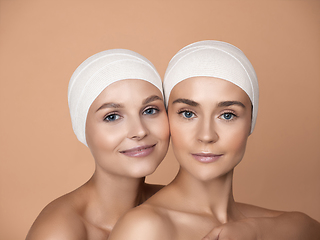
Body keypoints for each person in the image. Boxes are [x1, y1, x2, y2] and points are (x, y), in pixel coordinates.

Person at [108, 41, 320, 240]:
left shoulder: (260, 224)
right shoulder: (144, 228)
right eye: (188, 114)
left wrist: (256, 231)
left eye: (227, 115)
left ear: (251, 122)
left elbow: (309, 227)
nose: (207, 135)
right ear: (168, 118)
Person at [25, 49, 170, 240]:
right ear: (82, 129)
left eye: (150, 110)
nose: (139, 131)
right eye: (112, 116)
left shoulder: (178, 207)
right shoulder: (59, 231)